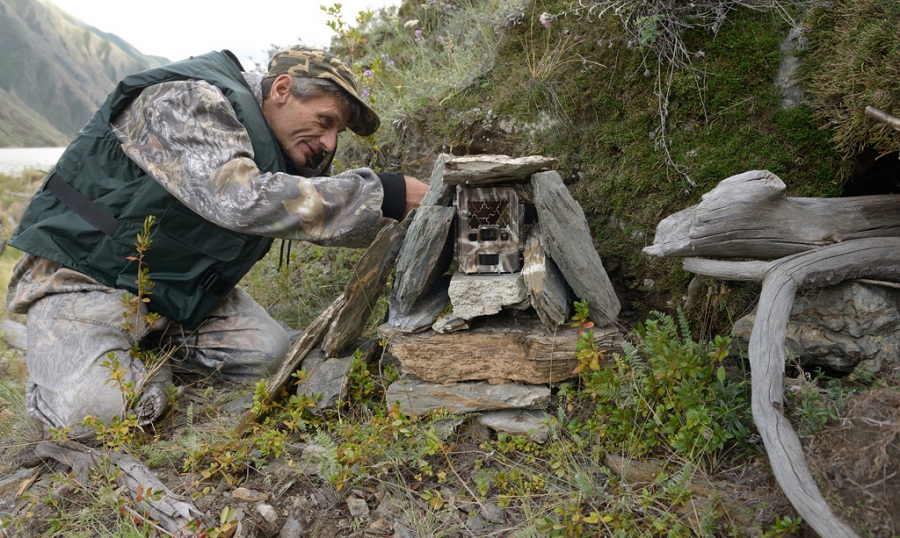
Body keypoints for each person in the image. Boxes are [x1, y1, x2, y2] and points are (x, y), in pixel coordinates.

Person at [6, 45, 428, 434]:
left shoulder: (274, 147)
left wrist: (392, 217)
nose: (330, 143)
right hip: (81, 279)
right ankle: (60, 376)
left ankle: (141, 351)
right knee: (98, 413)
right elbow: (240, 199)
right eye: (325, 122)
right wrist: (385, 195)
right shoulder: (187, 102)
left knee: (269, 353)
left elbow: (295, 209)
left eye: (338, 133)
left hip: (169, 295)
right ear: (283, 89)